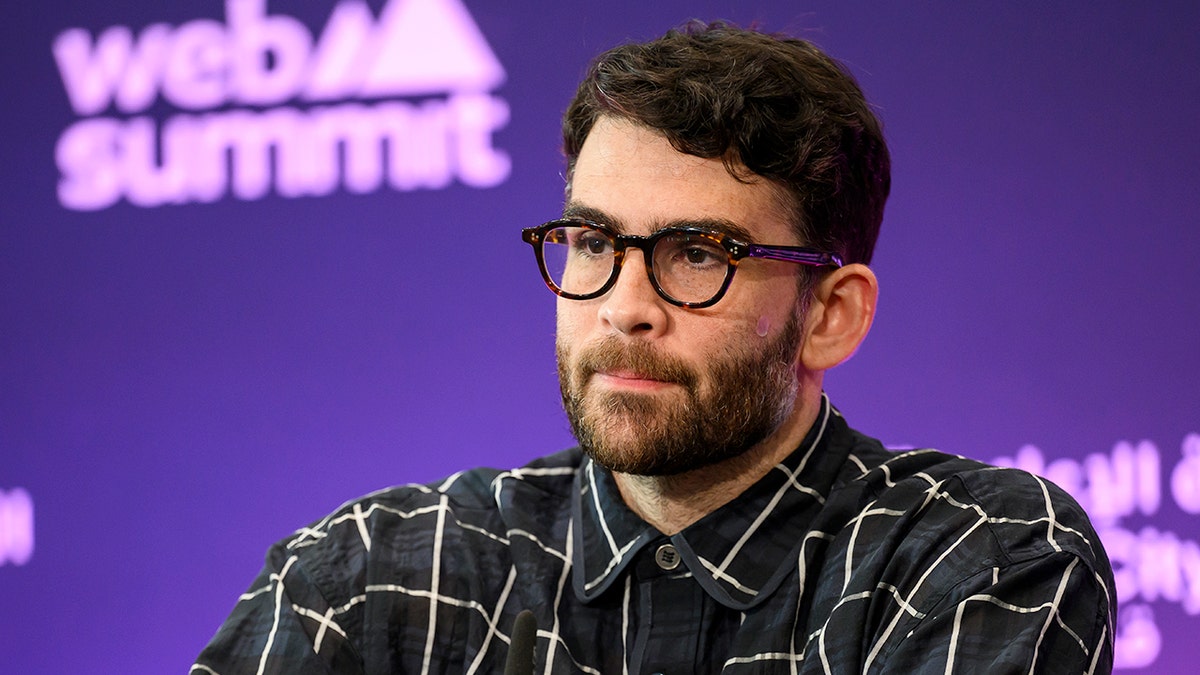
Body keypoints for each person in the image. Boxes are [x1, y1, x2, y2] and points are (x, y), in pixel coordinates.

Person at [193, 21, 1115, 674]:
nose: (625, 307)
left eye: (698, 254)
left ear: (831, 312)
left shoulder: (980, 557)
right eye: (594, 242)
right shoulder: (373, 576)